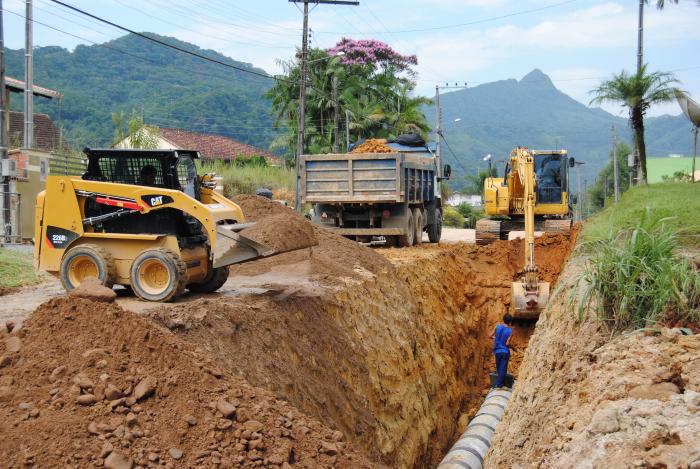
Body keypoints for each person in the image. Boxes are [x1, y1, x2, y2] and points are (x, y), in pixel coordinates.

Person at [492, 313, 513, 388]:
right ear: (510, 322)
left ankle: (499, 382)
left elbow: (490, 335)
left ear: (503, 320)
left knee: (498, 367)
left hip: (497, 351)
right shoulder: (510, 331)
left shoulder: (497, 326)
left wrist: (496, 338)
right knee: (503, 368)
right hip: (504, 351)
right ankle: (499, 384)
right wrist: (511, 346)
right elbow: (507, 343)